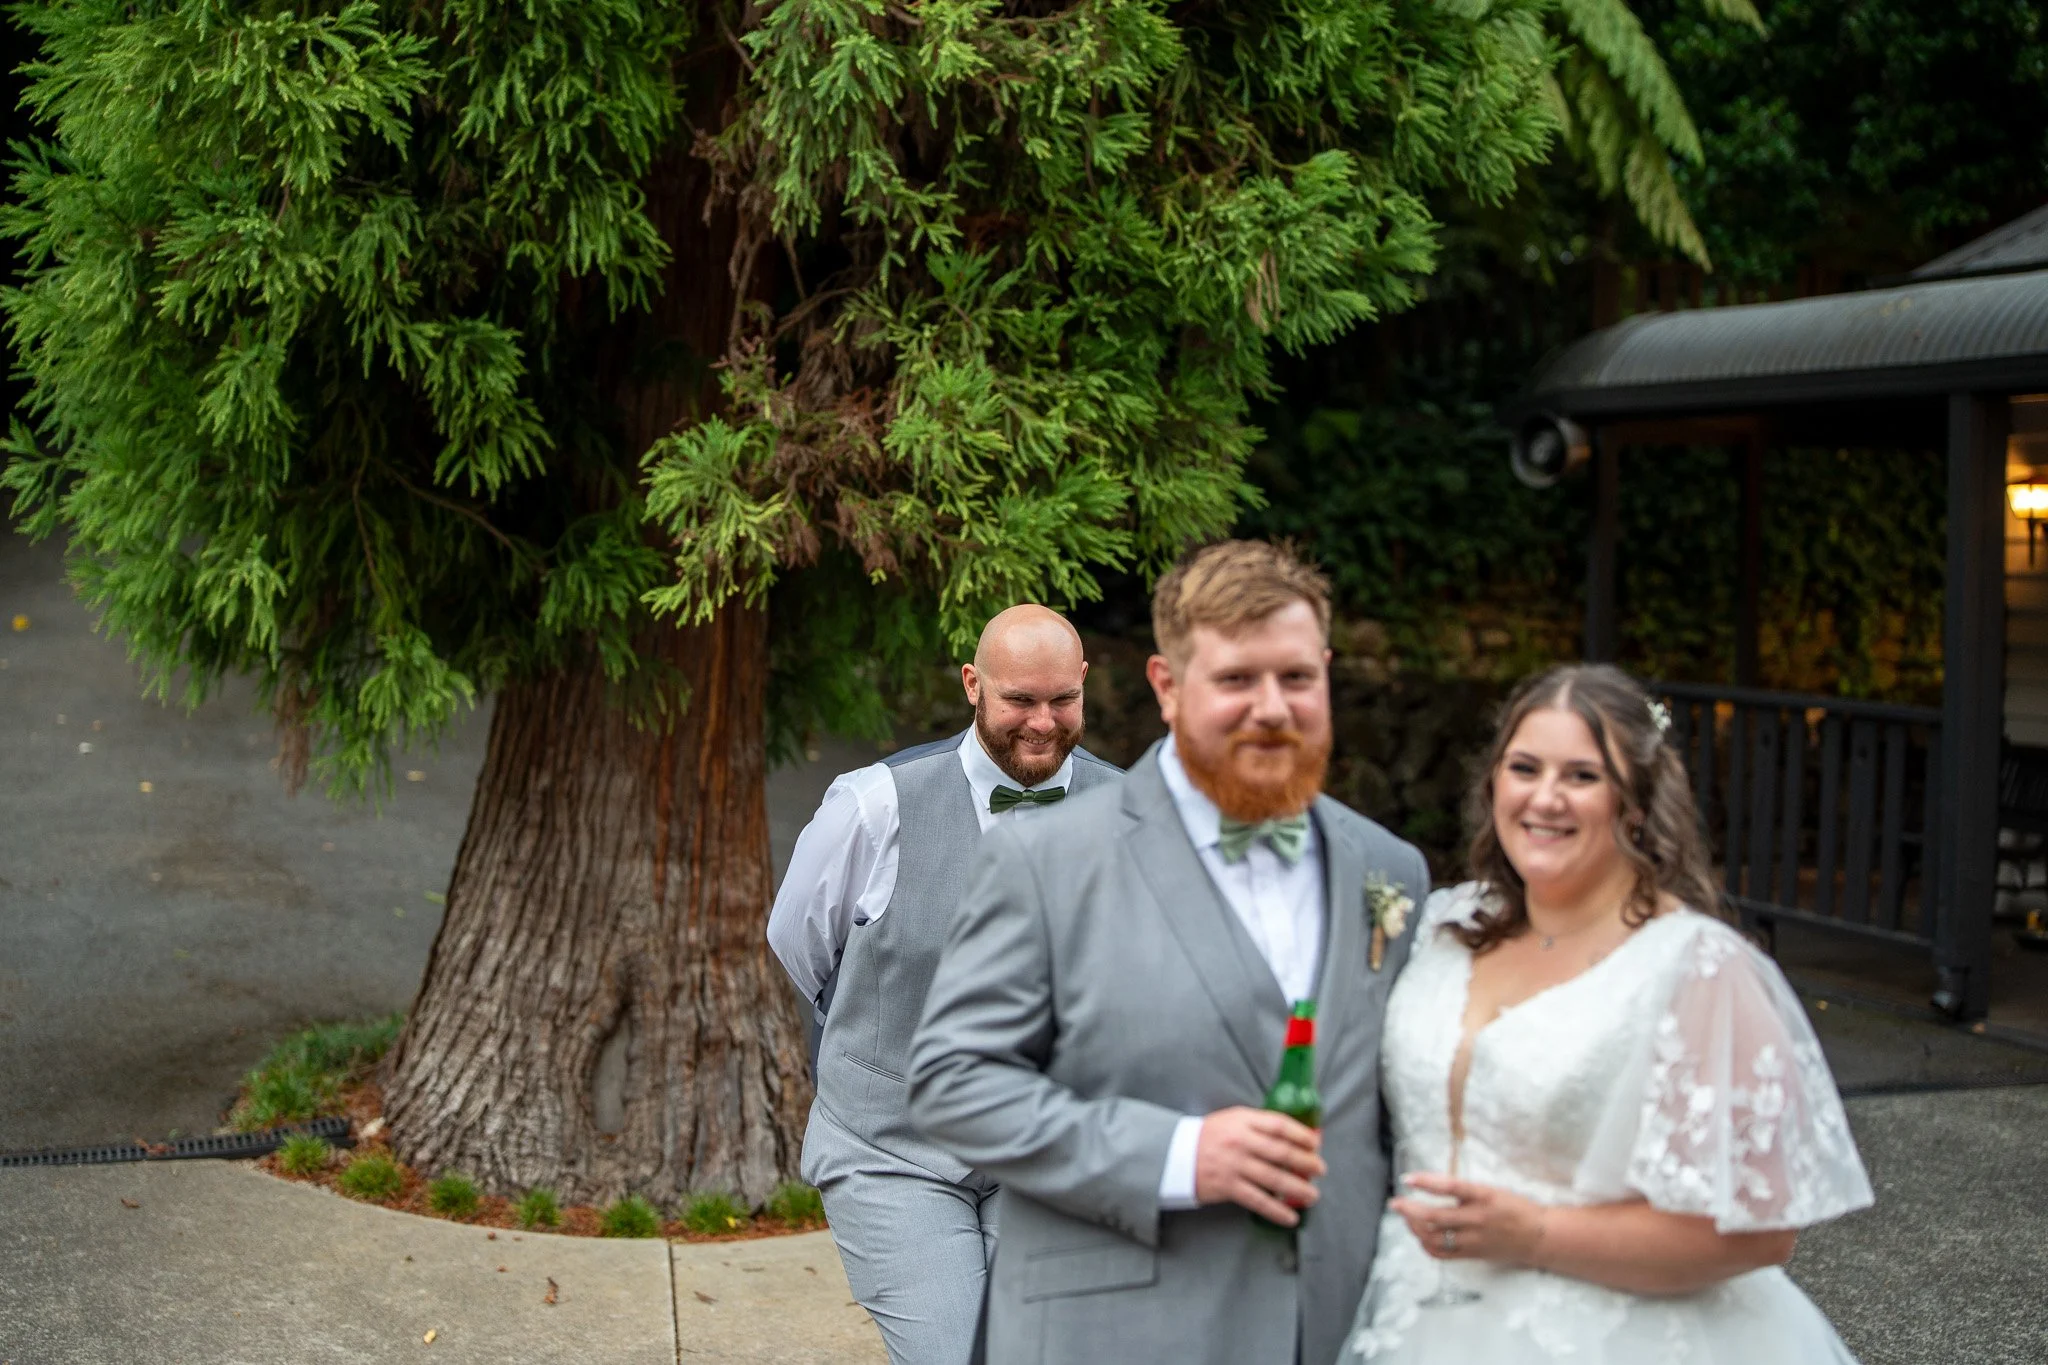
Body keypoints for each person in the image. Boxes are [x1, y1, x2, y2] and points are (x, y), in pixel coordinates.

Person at [908, 540, 1430, 1365]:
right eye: (1235, 680)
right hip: (1111, 1332)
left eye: (1296, 677)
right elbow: (952, 1085)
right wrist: (1181, 1155)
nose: (1272, 706)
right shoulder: (1045, 861)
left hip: (1333, 1332)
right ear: (1167, 686)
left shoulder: (1391, 871)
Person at [1348, 663, 1874, 1363]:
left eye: (1582, 775)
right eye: (1525, 767)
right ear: (1493, 783)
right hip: (1410, 1320)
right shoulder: (1444, 923)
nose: (1545, 797)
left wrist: (1535, 1233)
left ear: (1637, 801)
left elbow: (1763, 1230)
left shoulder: (1697, 967)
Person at [767, 603, 1119, 1365]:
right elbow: (798, 939)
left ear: (1085, 684)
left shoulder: (1130, 813)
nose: (1042, 721)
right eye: (1018, 699)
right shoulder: (875, 804)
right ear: (972, 684)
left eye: (1062, 699)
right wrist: (879, 1030)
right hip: (893, 1149)